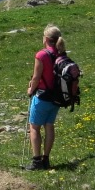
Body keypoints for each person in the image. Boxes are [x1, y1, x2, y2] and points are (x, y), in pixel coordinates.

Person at [25, 24, 64, 170]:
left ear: (46, 38)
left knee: (34, 127)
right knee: (49, 126)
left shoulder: (41, 55)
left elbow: (36, 77)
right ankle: (46, 159)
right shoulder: (61, 53)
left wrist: (30, 89)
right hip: (56, 98)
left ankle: (36, 161)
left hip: (42, 96)